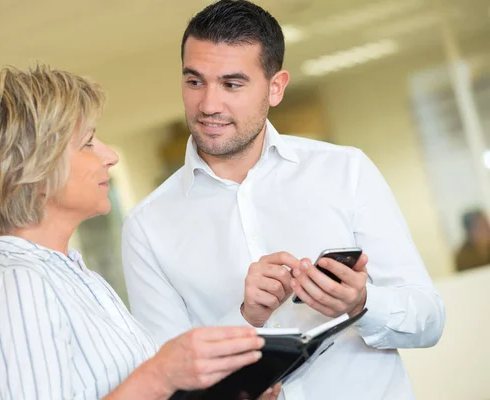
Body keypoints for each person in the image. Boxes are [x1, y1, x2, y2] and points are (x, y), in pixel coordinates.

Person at [121, 1, 446, 399]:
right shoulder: (146, 226)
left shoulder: (345, 171)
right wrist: (244, 318)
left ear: (275, 87)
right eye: (194, 82)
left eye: (232, 84)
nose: (208, 104)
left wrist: (362, 303)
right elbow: (169, 381)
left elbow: (429, 320)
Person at [0, 65, 280, 400]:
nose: (110, 156)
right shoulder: (19, 286)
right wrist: (160, 374)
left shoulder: (68, 277)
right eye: (88, 143)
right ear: (34, 168)